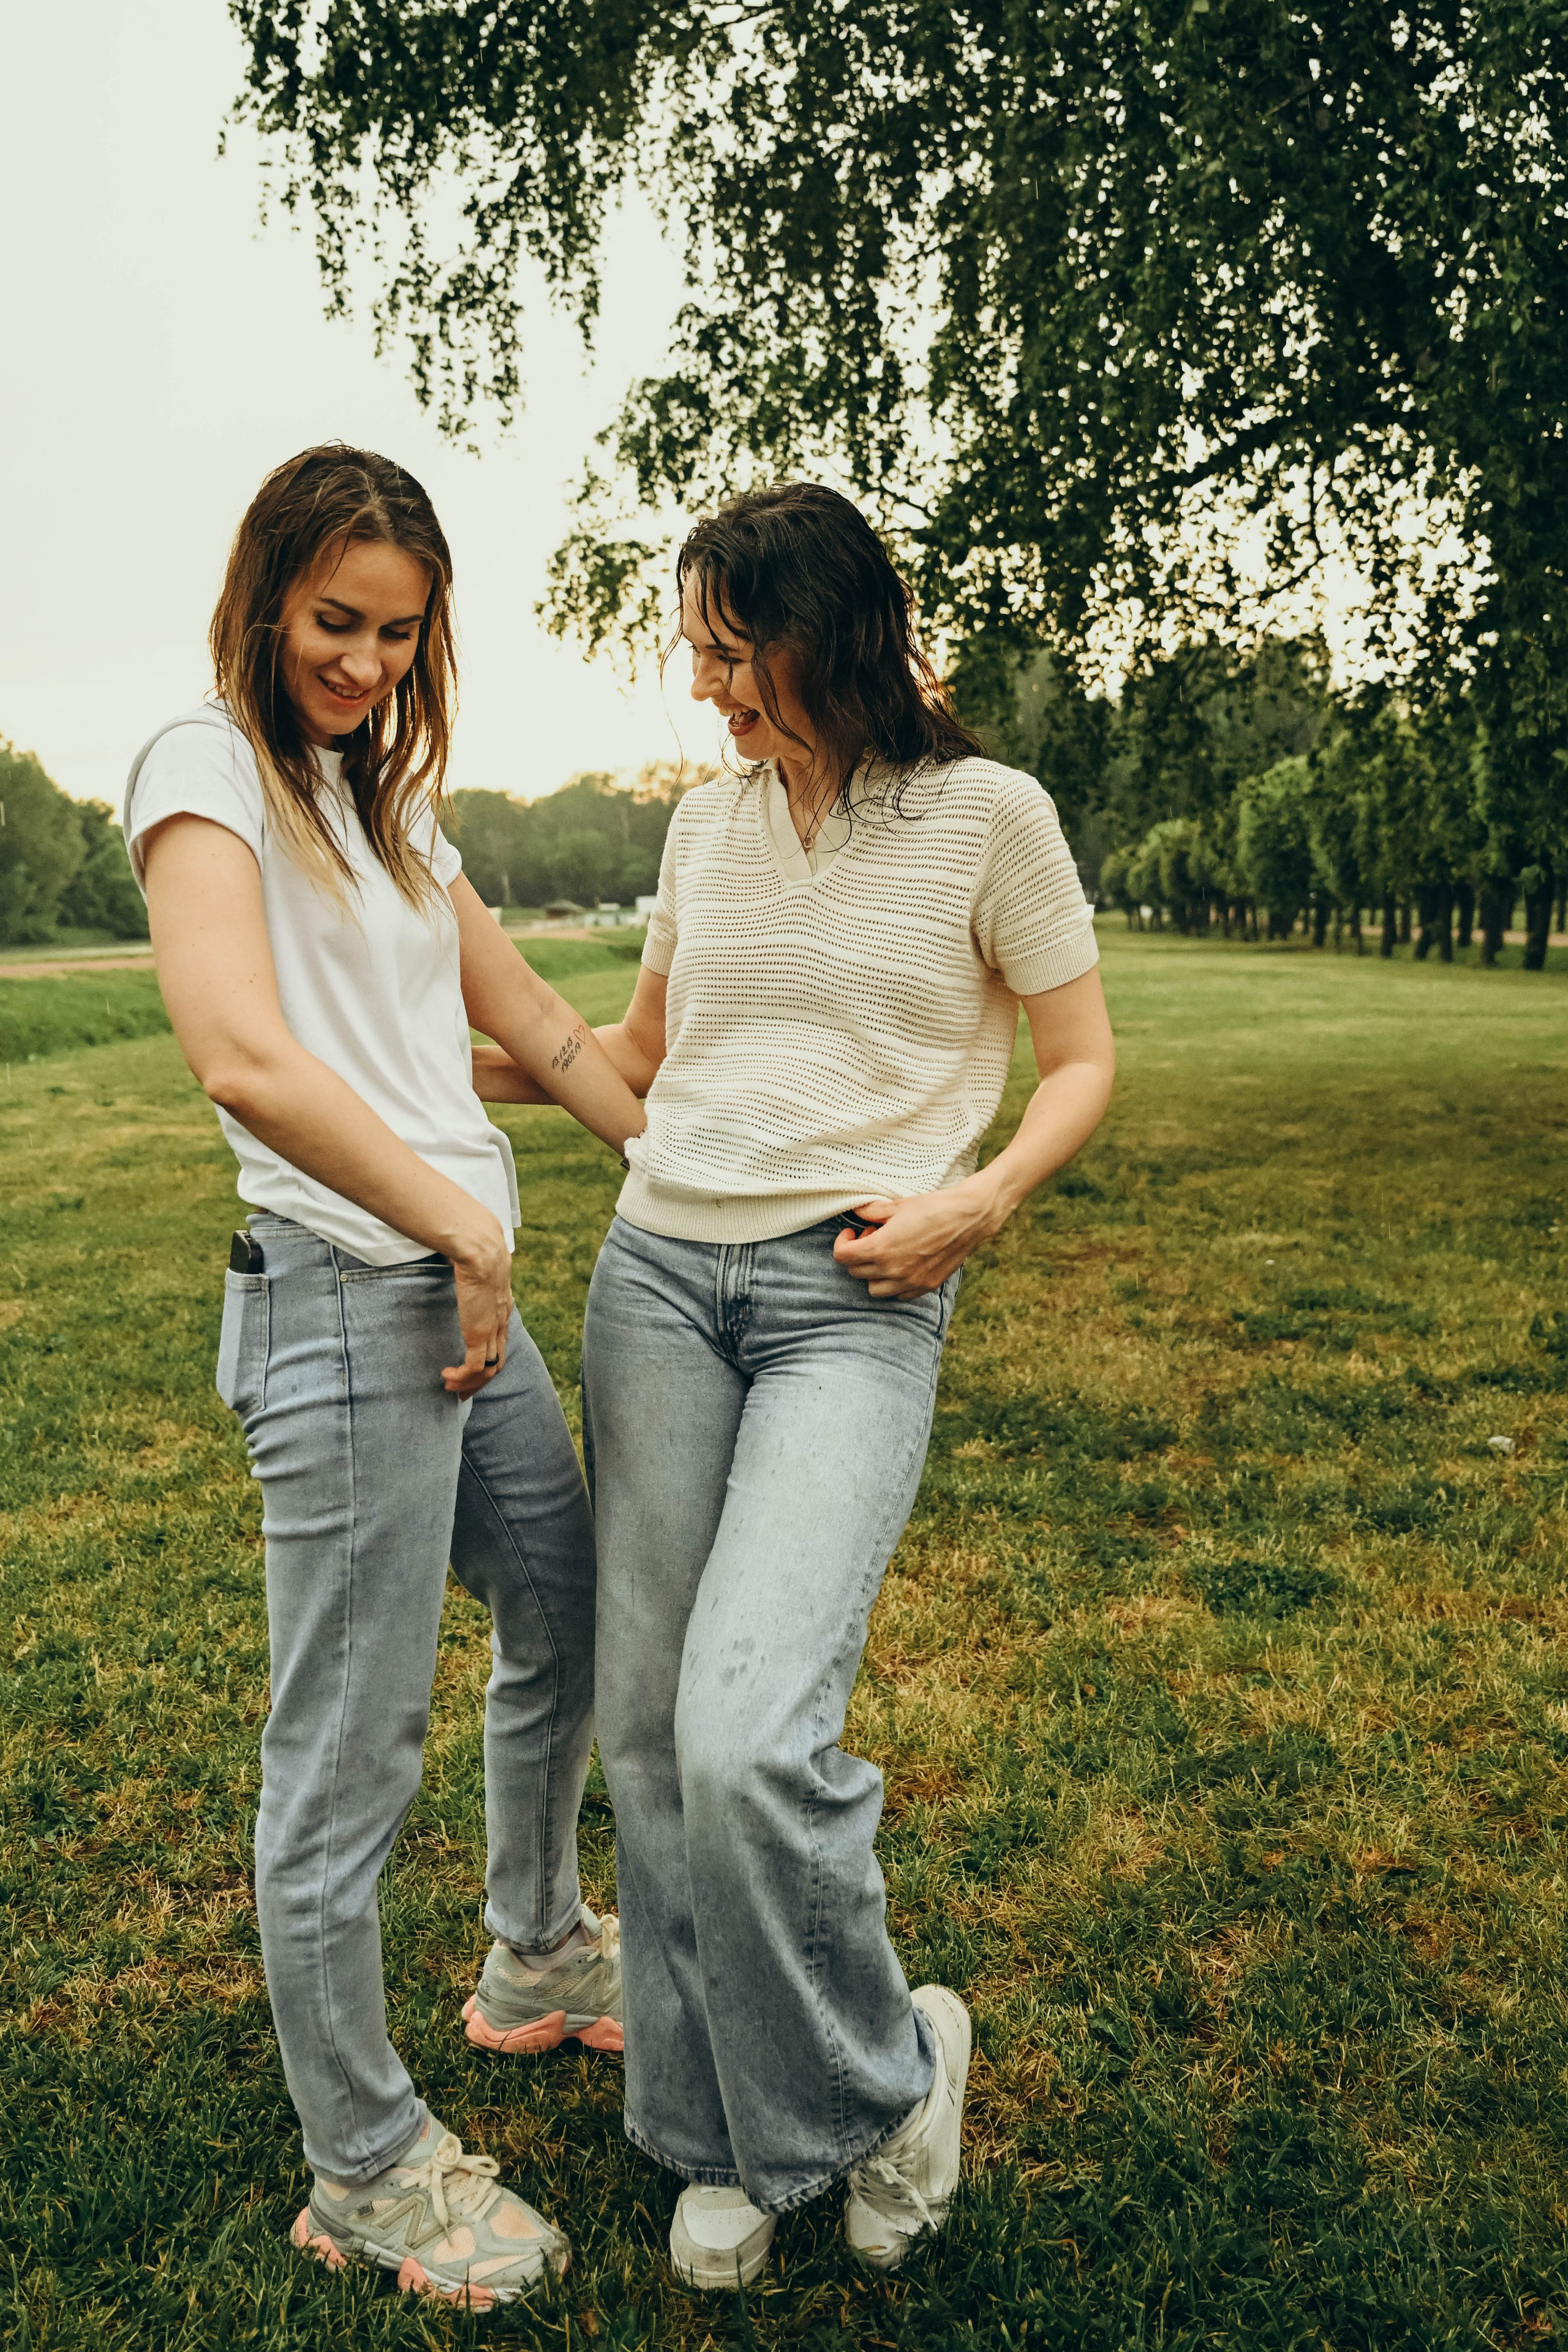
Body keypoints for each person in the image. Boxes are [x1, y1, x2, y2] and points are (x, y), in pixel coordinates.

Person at [576, 481, 1116, 2287]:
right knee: (649, 1741)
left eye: (739, 654)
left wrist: (986, 1195)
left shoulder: (990, 816)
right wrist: (397, 1046)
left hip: (851, 1295)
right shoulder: (706, 830)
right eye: (700, 658)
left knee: (747, 1728)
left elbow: (1080, 1061)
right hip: (656, 1278)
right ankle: (723, 2126)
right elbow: (637, 1061)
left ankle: (896, 2069)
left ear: (836, 629)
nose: (714, 691)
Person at [124, 444, 644, 2310]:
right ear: (268, 597)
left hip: (448, 1294)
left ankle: (535, 1955)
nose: (362, 662)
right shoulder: (207, 766)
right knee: (344, 1762)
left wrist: (691, 1160)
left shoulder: (387, 805)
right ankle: (361, 2164)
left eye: (398, 633)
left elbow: (543, 1026)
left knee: (564, 1608)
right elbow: (243, 1059)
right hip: (354, 1303)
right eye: (336, 622)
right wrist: (474, 1234)